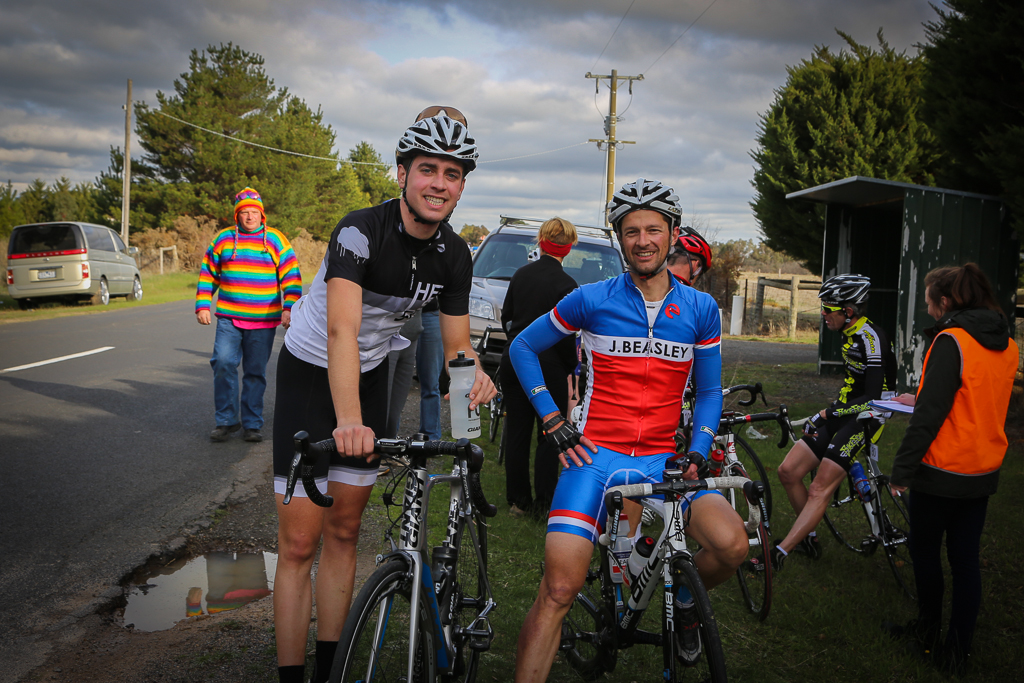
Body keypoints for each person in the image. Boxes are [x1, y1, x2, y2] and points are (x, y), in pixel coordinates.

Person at [269, 107, 496, 683]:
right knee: (299, 543)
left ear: (462, 185)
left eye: (451, 174)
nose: (438, 184)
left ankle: (332, 670)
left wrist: (473, 384)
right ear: (402, 173)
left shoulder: (455, 255)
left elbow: (457, 349)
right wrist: (349, 421)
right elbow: (341, 330)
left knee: (345, 532)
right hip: (311, 372)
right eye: (427, 170)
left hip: (367, 375)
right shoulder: (358, 230)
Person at [509, 178, 747, 682]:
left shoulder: (701, 309)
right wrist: (552, 419)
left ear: (673, 235)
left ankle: (686, 603)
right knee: (559, 590)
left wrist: (698, 451)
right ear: (619, 237)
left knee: (732, 545)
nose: (643, 241)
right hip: (594, 459)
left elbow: (708, 392)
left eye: (653, 230)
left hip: (663, 460)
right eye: (631, 231)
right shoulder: (591, 299)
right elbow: (522, 346)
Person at [884, 264, 1018, 676]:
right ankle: (957, 650)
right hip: (981, 471)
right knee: (965, 561)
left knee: (924, 553)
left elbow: (929, 416)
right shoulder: (1007, 344)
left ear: (945, 302)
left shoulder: (951, 340)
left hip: (941, 472)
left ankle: (928, 630)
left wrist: (901, 471)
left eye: (929, 303)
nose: (928, 311)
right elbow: (975, 398)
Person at [772, 274, 897, 567]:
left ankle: (780, 553)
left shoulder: (871, 338)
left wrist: (826, 414)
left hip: (869, 415)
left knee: (819, 488)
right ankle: (809, 538)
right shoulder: (847, 332)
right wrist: (832, 412)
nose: (823, 314)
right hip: (845, 411)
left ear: (848, 311)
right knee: (788, 471)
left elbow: (872, 396)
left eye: (828, 309)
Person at [196, 187, 302, 443]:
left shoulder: (275, 240)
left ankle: (252, 424)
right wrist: (202, 304)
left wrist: (289, 307)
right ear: (237, 215)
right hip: (229, 318)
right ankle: (226, 420)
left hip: (263, 321)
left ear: (261, 215)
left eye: (254, 212)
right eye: (245, 212)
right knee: (223, 363)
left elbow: (291, 275)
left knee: (255, 372)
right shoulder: (223, 239)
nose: (250, 216)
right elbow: (208, 272)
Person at [500, 217, 579, 518]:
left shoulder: (520, 275)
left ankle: (518, 501)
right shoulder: (567, 285)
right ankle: (545, 502)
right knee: (550, 431)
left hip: (514, 358)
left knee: (517, 431)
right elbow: (567, 335)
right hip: (549, 362)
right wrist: (571, 365)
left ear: (540, 241)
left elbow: (507, 317)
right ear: (568, 247)